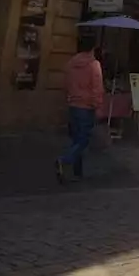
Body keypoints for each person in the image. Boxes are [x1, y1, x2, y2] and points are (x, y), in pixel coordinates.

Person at [56, 34, 103, 183]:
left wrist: (69, 98)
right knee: (83, 140)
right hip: (86, 106)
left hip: (73, 105)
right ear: (93, 48)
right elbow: (97, 88)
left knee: (76, 139)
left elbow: (66, 84)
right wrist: (97, 106)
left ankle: (77, 173)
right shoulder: (93, 64)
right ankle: (65, 160)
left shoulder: (70, 63)